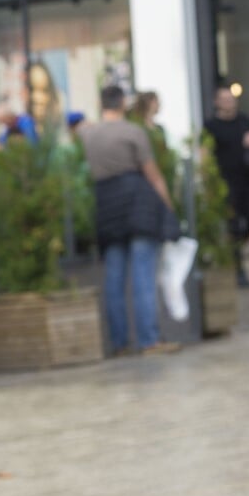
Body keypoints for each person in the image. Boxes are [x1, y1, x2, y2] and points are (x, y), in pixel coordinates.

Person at [79, 85, 179, 355]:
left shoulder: (89, 134)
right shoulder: (133, 132)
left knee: (114, 277)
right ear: (122, 102)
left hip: (107, 206)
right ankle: (149, 340)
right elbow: (153, 175)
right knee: (143, 274)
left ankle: (120, 342)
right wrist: (168, 208)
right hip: (138, 204)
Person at [206, 86, 249, 288]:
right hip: (226, 185)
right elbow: (205, 154)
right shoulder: (211, 126)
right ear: (217, 102)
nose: (229, 102)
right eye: (224, 99)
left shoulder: (245, 121)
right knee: (233, 227)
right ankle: (239, 270)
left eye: (231, 98)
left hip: (248, 182)